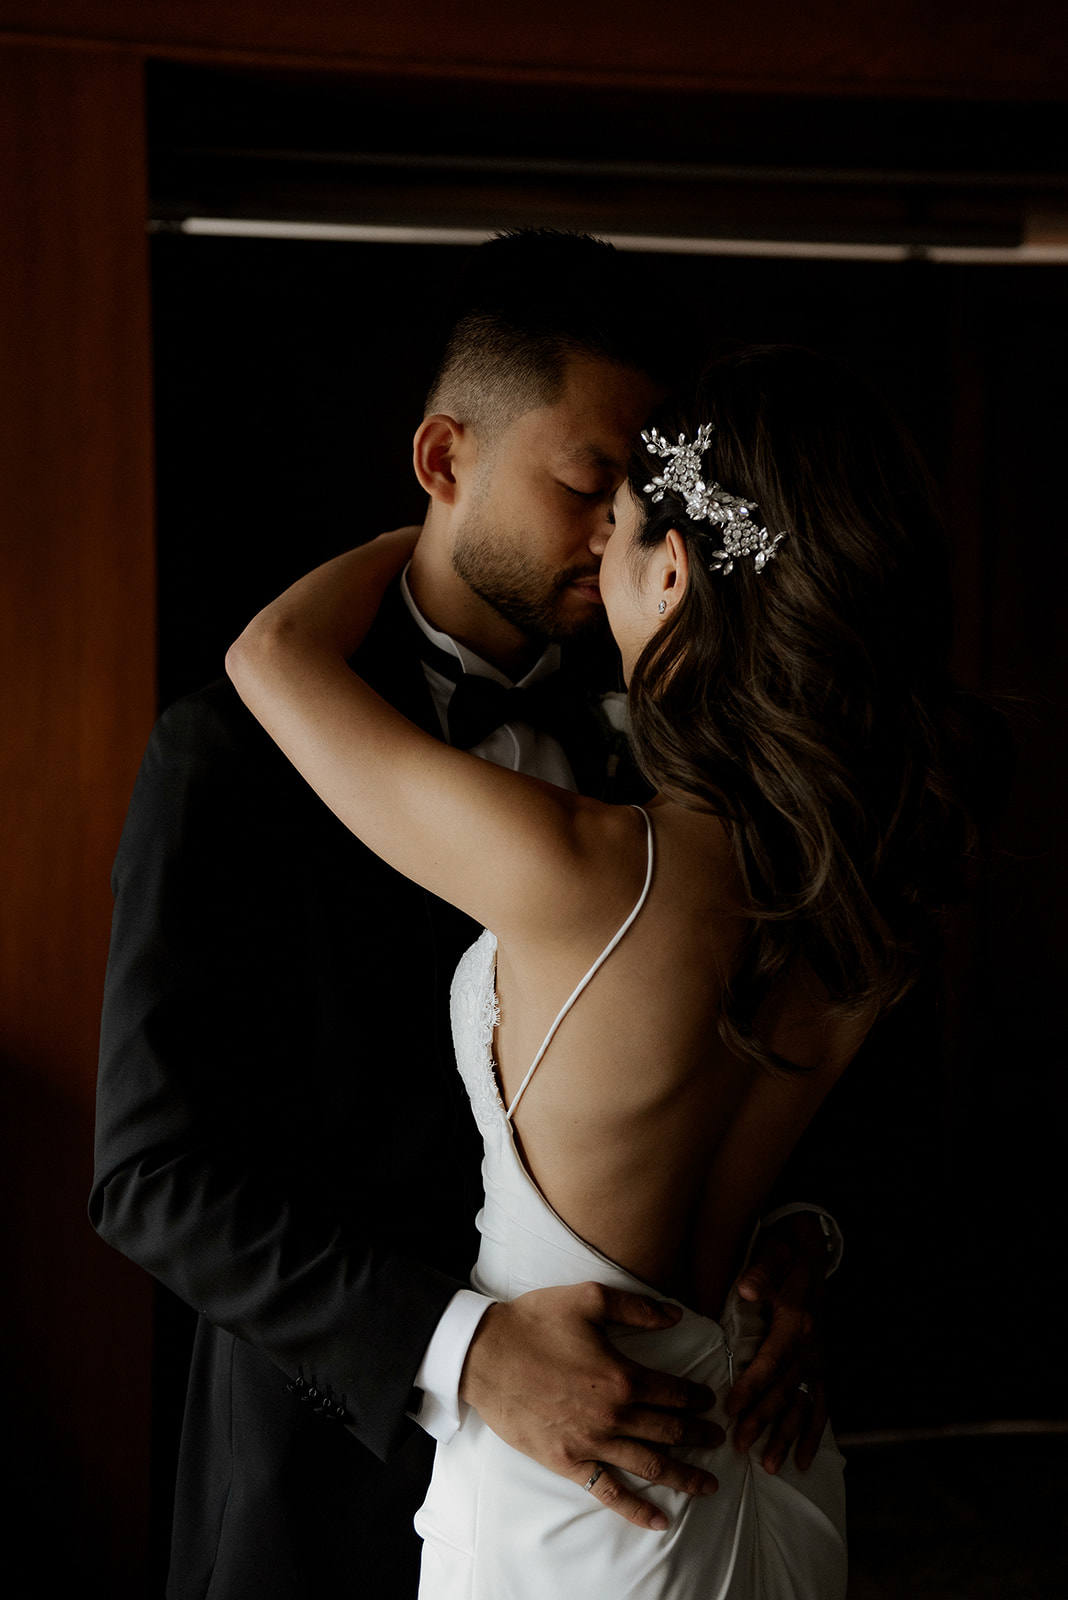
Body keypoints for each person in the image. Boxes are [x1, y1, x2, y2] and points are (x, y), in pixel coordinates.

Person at [91, 234, 839, 1600]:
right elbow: (152, 1178)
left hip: (627, 1484)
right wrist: (467, 1349)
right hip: (326, 1473)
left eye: (647, 492)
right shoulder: (233, 752)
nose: (624, 529)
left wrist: (790, 1241)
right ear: (445, 462)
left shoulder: (656, 748)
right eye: (587, 482)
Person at [225, 343, 997, 1598]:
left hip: (583, 1496)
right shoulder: (869, 894)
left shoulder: (586, 872)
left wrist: (440, 531)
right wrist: (804, 1244)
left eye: (621, 531)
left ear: (677, 575)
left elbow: (270, 657)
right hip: (767, 1460)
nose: (594, 556)